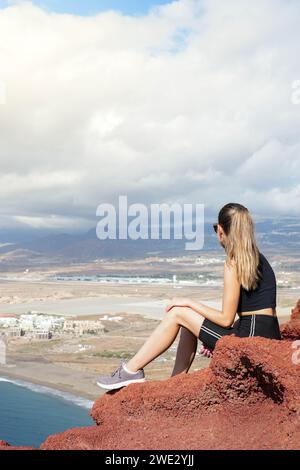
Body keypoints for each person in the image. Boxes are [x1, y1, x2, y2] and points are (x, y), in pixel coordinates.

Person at [96, 203, 281, 391]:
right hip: (266, 336)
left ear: (220, 231)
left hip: (248, 342)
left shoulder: (233, 263)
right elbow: (255, 314)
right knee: (187, 322)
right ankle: (174, 382)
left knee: (178, 313)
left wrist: (189, 302)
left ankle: (130, 370)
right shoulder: (259, 259)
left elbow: (226, 319)